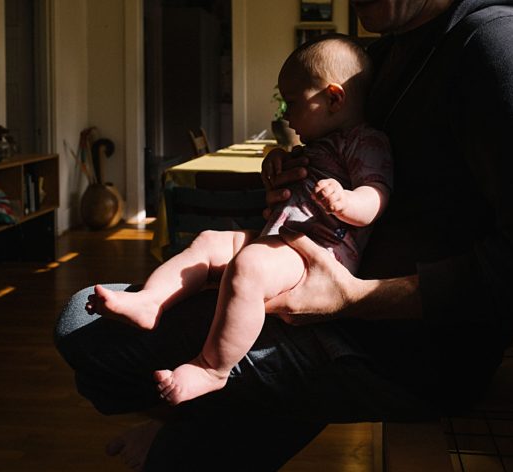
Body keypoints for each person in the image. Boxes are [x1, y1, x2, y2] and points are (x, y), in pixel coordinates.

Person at [55, 0, 513, 470]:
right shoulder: (386, 54)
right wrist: (289, 180)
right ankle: (197, 425)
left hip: (403, 354)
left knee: (85, 324)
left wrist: (357, 300)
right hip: (336, 305)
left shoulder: (507, 50)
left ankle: (199, 417)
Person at [87, 36, 393, 405]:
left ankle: (212, 367)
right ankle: (151, 300)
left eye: (292, 103)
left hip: (319, 256)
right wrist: (277, 162)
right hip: (282, 240)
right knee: (211, 240)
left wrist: (346, 201)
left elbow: (376, 196)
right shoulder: (316, 143)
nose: (285, 115)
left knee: (248, 265)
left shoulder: (365, 141)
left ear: (333, 98)